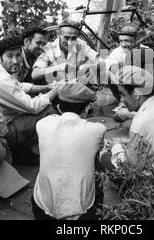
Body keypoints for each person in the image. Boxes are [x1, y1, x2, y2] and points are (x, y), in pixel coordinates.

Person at [32, 81, 106, 220]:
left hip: (42, 211)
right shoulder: (97, 129)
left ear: (59, 107)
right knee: (96, 160)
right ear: (87, 108)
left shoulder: (42, 124)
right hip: (83, 215)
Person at [0, 36, 59, 164]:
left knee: (41, 99)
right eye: (10, 56)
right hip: (4, 131)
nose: (15, 60)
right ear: (0, 57)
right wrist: (56, 90)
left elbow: (19, 86)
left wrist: (46, 87)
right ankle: (41, 153)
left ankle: (24, 152)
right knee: (48, 111)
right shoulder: (1, 80)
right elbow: (33, 107)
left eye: (18, 55)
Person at [31, 19, 99, 85]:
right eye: (66, 37)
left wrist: (86, 67)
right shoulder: (49, 49)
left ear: (77, 37)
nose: (70, 42)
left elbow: (99, 59)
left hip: (76, 86)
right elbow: (35, 74)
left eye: (73, 38)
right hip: (55, 89)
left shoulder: (80, 44)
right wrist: (58, 68)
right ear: (59, 35)